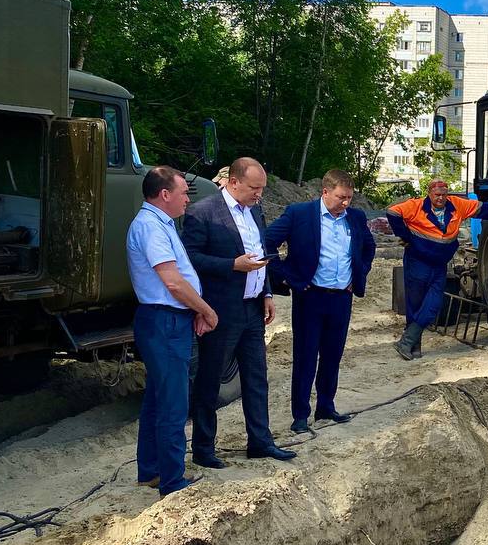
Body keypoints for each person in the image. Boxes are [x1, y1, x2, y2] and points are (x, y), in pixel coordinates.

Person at [182, 157, 295, 466]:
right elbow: (190, 259)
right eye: (254, 188)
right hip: (220, 310)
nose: (259, 195)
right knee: (210, 380)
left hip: (253, 307)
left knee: (256, 378)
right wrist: (233, 265)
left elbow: (262, 255)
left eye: (262, 189)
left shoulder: (255, 211)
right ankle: (204, 449)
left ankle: (260, 441)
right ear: (233, 182)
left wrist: (268, 291)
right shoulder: (202, 213)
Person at [126, 166, 218, 497]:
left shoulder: (160, 224)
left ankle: (151, 471)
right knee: (173, 404)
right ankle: (172, 480)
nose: (187, 200)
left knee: (157, 399)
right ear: (165, 194)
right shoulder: (151, 228)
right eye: (183, 193)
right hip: (164, 322)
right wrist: (205, 309)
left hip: (167, 319)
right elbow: (173, 282)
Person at [265, 170, 377, 434]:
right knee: (305, 356)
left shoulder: (356, 218)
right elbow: (267, 242)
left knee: (332, 355)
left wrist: (358, 273)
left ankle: (326, 406)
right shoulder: (299, 214)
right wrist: (290, 277)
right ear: (325, 192)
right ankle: (300, 415)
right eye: (341, 197)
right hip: (310, 296)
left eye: (349, 198)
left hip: (341, 298)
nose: (346, 203)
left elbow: (368, 247)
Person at [386, 180, 488, 360]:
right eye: (437, 195)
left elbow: (480, 209)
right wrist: (404, 235)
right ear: (429, 193)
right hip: (418, 262)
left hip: (439, 264)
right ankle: (413, 346)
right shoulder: (415, 206)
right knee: (415, 303)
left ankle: (407, 340)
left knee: (434, 304)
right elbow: (392, 212)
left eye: (443, 194)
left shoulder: (456, 205)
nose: (440, 198)